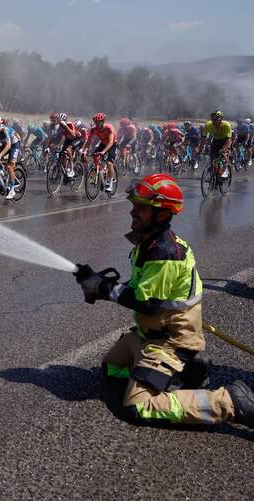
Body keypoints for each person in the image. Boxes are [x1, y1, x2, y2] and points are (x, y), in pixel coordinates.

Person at [75, 173, 254, 430]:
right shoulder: (147, 244)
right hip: (149, 334)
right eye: (134, 206)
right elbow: (139, 288)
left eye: (142, 208)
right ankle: (186, 370)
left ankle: (230, 402)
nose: (133, 213)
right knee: (112, 369)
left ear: (162, 214)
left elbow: (145, 302)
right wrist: (98, 282)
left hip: (171, 340)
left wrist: (102, 287)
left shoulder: (165, 253)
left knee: (137, 406)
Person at [86, 113, 118, 192]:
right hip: (103, 144)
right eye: (95, 122)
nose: (96, 124)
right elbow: (89, 141)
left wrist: (103, 152)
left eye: (98, 122)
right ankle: (99, 172)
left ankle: (110, 183)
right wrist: (84, 150)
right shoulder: (94, 129)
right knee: (95, 156)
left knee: (109, 163)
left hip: (112, 145)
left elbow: (110, 142)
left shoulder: (109, 128)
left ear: (103, 121)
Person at [203, 111, 232, 178]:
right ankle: (214, 171)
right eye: (213, 119)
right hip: (216, 140)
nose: (214, 121)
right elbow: (204, 137)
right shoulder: (208, 125)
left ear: (221, 119)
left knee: (223, 153)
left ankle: (226, 169)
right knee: (212, 157)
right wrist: (203, 147)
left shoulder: (226, 125)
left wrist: (223, 149)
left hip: (225, 140)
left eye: (216, 119)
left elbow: (228, 139)